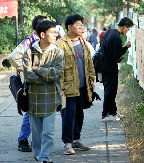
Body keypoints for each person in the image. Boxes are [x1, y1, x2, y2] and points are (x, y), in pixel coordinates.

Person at [23, 20, 64, 163]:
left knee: (49, 132)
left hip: (52, 98)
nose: (56, 35)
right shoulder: (29, 52)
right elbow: (28, 75)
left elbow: (58, 74)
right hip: (34, 99)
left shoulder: (58, 52)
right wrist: (47, 78)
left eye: (56, 32)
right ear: (42, 34)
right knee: (36, 132)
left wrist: (38, 69)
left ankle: (44, 157)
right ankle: (38, 153)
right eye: (52, 32)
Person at [56, 14, 95, 155]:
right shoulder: (60, 44)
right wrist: (60, 87)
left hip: (82, 86)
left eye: (82, 25)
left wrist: (91, 81)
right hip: (67, 88)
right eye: (78, 25)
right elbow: (56, 68)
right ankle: (67, 143)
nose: (81, 27)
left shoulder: (83, 42)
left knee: (79, 114)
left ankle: (76, 139)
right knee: (68, 115)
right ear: (69, 27)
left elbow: (89, 63)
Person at [8, 15, 47, 152]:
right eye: (44, 24)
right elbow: (13, 57)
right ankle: (23, 140)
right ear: (37, 27)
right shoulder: (29, 41)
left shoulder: (44, 41)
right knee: (31, 112)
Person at [101, 17, 133, 122]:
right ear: (123, 27)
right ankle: (105, 114)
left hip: (104, 65)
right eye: (127, 29)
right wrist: (126, 47)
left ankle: (113, 112)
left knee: (110, 90)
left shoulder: (109, 32)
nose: (127, 31)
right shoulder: (116, 38)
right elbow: (116, 55)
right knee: (110, 91)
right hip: (110, 67)